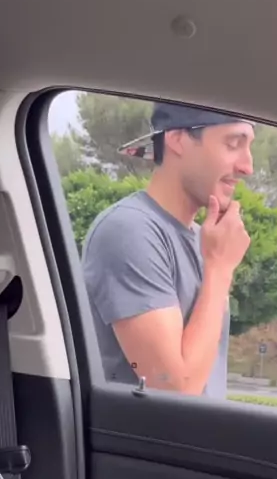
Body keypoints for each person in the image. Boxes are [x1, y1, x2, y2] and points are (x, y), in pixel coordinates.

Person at [81, 102, 255, 398]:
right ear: (177, 139)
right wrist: (220, 270)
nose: (247, 167)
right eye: (233, 144)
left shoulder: (205, 240)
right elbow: (174, 389)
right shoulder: (129, 231)